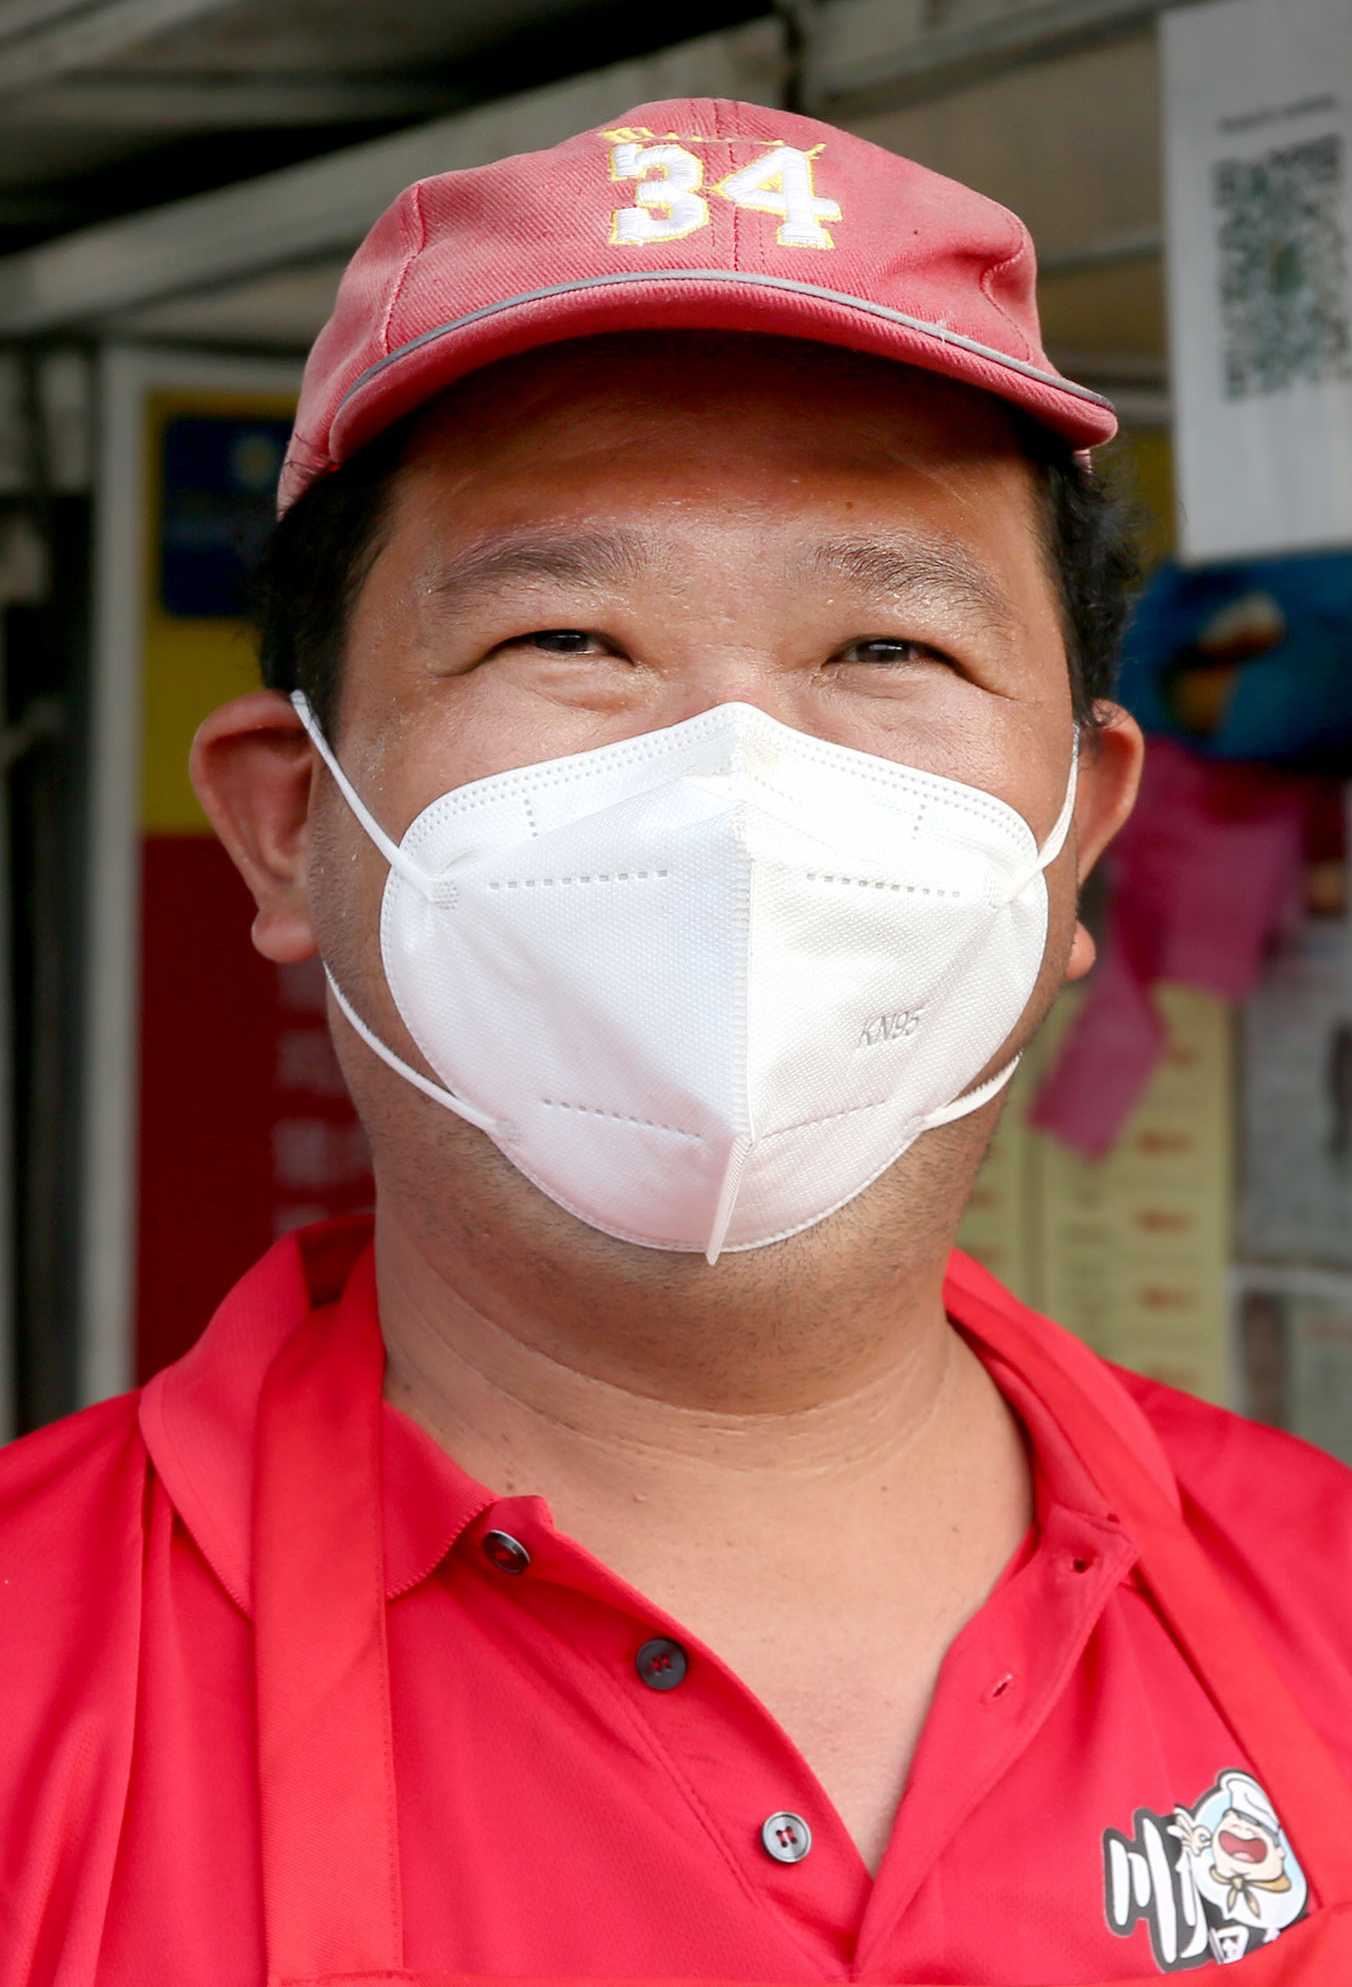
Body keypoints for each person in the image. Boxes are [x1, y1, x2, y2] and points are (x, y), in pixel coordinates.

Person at [5, 96, 1352, 1987]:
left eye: (891, 653)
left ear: (1078, 845)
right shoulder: (32, 1699)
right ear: (290, 826)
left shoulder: (1329, 1612)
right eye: (570, 636)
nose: (737, 788)